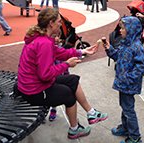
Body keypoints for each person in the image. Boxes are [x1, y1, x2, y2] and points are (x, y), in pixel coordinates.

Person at [17, 8, 108, 139]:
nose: (61, 24)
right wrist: (66, 64)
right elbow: (45, 75)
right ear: (51, 23)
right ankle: (74, 129)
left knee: (72, 80)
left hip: (32, 84)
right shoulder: (44, 43)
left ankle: (91, 112)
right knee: (69, 96)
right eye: (59, 22)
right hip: (34, 91)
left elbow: (59, 53)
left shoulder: (41, 37)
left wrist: (82, 52)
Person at [102, 16, 144, 143]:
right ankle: (126, 127)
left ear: (131, 30)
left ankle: (135, 136)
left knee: (128, 109)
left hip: (128, 84)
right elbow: (117, 56)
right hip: (123, 83)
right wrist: (109, 49)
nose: (120, 31)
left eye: (122, 28)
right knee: (125, 106)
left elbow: (141, 65)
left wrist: (129, 78)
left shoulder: (136, 46)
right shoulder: (125, 44)